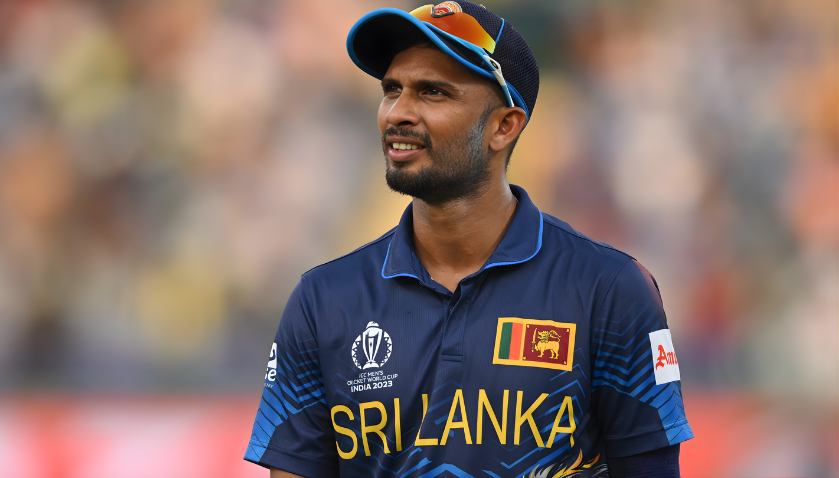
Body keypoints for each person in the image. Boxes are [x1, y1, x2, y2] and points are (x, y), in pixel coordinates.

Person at [244, 2, 693, 477]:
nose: (398, 113)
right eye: (392, 89)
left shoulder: (609, 289)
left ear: (505, 126)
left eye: (432, 92)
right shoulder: (323, 301)